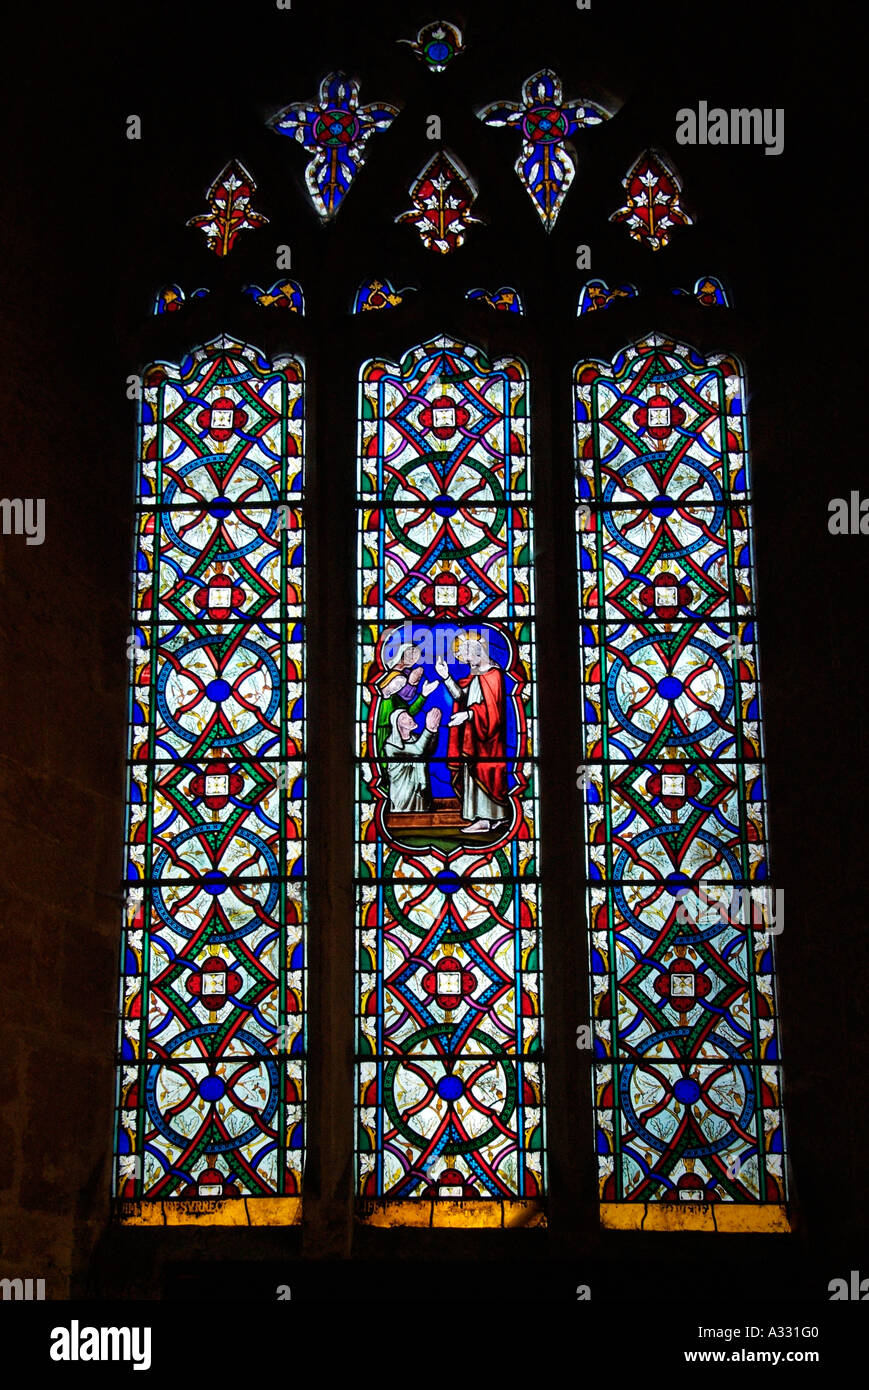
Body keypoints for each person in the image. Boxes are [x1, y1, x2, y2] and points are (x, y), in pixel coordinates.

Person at [436, 632, 510, 834]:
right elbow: (461, 696)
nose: (467, 661)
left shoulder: (494, 675)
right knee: (470, 773)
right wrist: (446, 677)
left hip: (488, 739)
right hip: (472, 736)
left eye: (467, 655)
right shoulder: (475, 676)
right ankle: (482, 818)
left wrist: (468, 715)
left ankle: (490, 818)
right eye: (463, 657)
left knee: (486, 773)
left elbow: (492, 712)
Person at [372, 640, 438, 759]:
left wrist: (423, 694)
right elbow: (398, 715)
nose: (399, 687)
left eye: (416, 657)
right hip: (384, 737)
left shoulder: (396, 696)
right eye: (411, 654)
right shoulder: (384, 700)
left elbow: (407, 712)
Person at [384, 706, 442, 813]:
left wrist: (434, 730)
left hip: (420, 791)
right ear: (397, 725)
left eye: (408, 715)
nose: (410, 718)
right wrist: (428, 729)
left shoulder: (415, 738)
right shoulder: (391, 745)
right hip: (402, 793)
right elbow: (418, 750)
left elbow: (429, 751)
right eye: (404, 718)